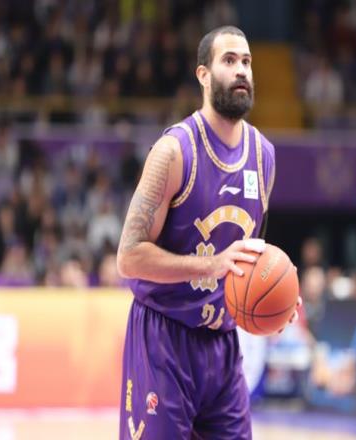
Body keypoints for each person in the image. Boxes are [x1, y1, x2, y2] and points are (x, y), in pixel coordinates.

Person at [116, 25, 300, 439]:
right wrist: (211, 265)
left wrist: (279, 295)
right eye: (229, 60)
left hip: (222, 345)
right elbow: (128, 258)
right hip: (164, 338)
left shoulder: (264, 156)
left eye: (247, 62)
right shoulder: (174, 152)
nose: (241, 71)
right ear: (203, 74)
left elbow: (249, 256)